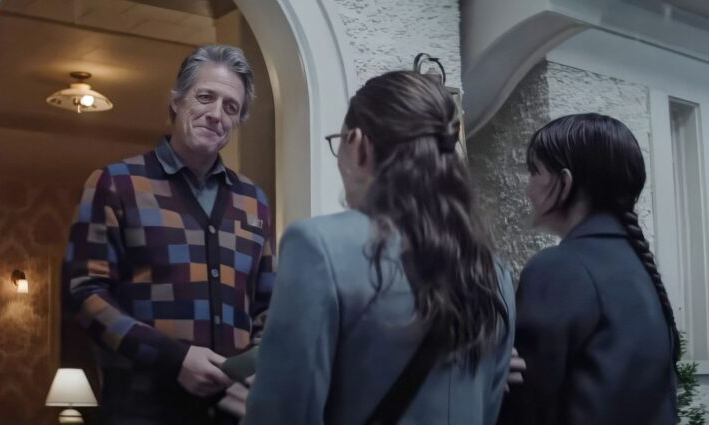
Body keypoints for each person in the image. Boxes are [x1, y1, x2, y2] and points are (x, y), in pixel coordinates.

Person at [242, 70, 515, 425]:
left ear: (357, 143)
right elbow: (489, 407)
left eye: (337, 142)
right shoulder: (493, 270)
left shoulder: (318, 247)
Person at [61, 44, 276, 425]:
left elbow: (268, 305)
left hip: (232, 414)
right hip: (140, 410)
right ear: (176, 101)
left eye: (230, 107)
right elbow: (83, 293)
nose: (215, 114)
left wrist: (258, 368)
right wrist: (173, 358)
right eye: (205, 97)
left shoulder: (252, 202)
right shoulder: (116, 184)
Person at [497, 113, 679, 424]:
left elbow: (527, 409)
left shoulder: (558, 268)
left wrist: (485, 379)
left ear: (564, 183)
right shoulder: (639, 268)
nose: (527, 189)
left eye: (534, 172)